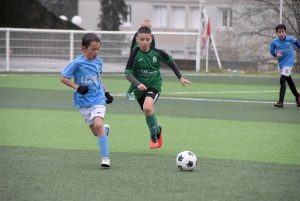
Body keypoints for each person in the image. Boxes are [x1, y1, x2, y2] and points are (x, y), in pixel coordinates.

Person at [124, 27, 192, 149]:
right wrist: (138, 84)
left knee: (147, 107)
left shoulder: (156, 53)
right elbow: (128, 73)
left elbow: (170, 61)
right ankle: (157, 130)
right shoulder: (134, 55)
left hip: (154, 85)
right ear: (137, 40)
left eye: (147, 39)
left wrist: (180, 77)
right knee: (148, 111)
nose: (144, 42)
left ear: (151, 39)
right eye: (142, 39)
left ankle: (153, 137)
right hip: (140, 90)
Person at [61, 33, 114, 167]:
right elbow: (64, 78)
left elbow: (98, 78)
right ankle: (105, 131)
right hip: (83, 101)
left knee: (97, 125)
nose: (96, 52)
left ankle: (105, 158)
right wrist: (77, 87)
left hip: (98, 99)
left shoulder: (99, 62)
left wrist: (106, 92)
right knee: (96, 132)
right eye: (93, 49)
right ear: (83, 48)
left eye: (98, 49)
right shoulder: (77, 63)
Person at [270, 24, 300, 108]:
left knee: (282, 80)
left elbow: (297, 43)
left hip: (289, 63)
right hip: (282, 64)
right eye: (279, 32)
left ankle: (280, 102)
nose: (281, 34)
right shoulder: (274, 42)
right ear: (276, 33)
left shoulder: (290, 39)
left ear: (285, 32)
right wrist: (276, 54)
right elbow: (272, 52)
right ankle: (298, 96)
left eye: (282, 32)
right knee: (289, 81)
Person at [126, 19, 156, 100]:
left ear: (150, 27)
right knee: (137, 75)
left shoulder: (151, 37)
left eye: (147, 27)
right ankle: (129, 92)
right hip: (137, 59)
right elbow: (132, 46)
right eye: (143, 27)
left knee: (140, 76)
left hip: (146, 59)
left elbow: (153, 49)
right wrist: (131, 56)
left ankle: (132, 92)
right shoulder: (137, 36)